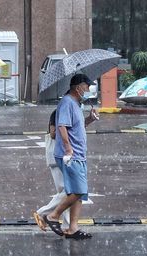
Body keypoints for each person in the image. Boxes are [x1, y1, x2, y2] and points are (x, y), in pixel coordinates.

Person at [43, 74, 98, 240]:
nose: (88, 90)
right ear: (78, 87)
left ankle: (73, 228)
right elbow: (61, 127)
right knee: (78, 190)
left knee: (79, 192)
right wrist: (68, 149)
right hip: (71, 155)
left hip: (79, 154)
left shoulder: (76, 104)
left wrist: (90, 119)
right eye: (87, 87)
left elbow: (77, 127)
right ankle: (53, 216)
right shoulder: (67, 102)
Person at [33, 109, 70, 231]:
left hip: (60, 156)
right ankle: (42, 213)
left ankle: (67, 225)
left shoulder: (64, 113)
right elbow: (53, 133)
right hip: (57, 156)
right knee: (68, 192)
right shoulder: (59, 113)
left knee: (66, 192)